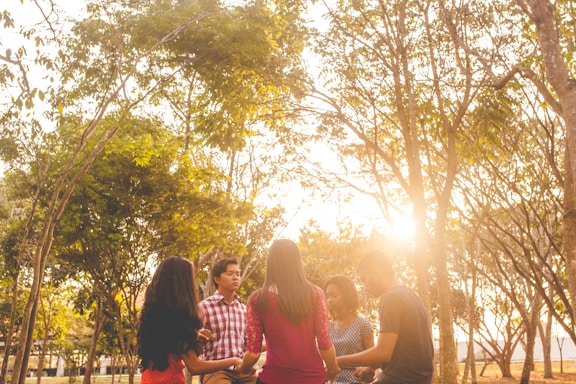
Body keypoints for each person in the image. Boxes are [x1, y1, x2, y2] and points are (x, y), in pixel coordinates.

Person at [236, 239, 341, 384]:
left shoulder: (257, 299)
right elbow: (324, 341)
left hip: (272, 379)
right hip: (312, 378)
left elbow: (253, 353)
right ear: (297, 262)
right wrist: (332, 367)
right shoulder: (315, 294)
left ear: (271, 263)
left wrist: (243, 367)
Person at [137, 256, 243, 384]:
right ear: (183, 284)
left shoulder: (155, 314)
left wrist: (194, 334)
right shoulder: (180, 317)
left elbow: (170, 340)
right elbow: (195, 367)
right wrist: (233, 360)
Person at [336, 250, 434, 384]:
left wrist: (339, 360)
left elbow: (383, 352)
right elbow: (403, 350)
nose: (364, 287)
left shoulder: (390, 298)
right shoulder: (410, 295)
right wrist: (372, 366)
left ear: (376, 273)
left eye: (364, 280)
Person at [199, 258, 257, 384]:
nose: (235, 277)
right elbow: (194, 342)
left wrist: (247, 364)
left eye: (237, 274)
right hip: (215, 371)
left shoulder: (244, 310)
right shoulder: (203, 307)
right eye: (230, 274)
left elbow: (249, 344)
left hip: (241, 370)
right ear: (217, 279)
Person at [324, 275, 375, 383]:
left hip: (355, 380)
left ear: (347, 296)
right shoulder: (327, 326)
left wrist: (367, 369)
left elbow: (374, 362)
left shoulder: (363, 324)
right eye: (327, 296)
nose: (329, 300)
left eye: (334, 295)